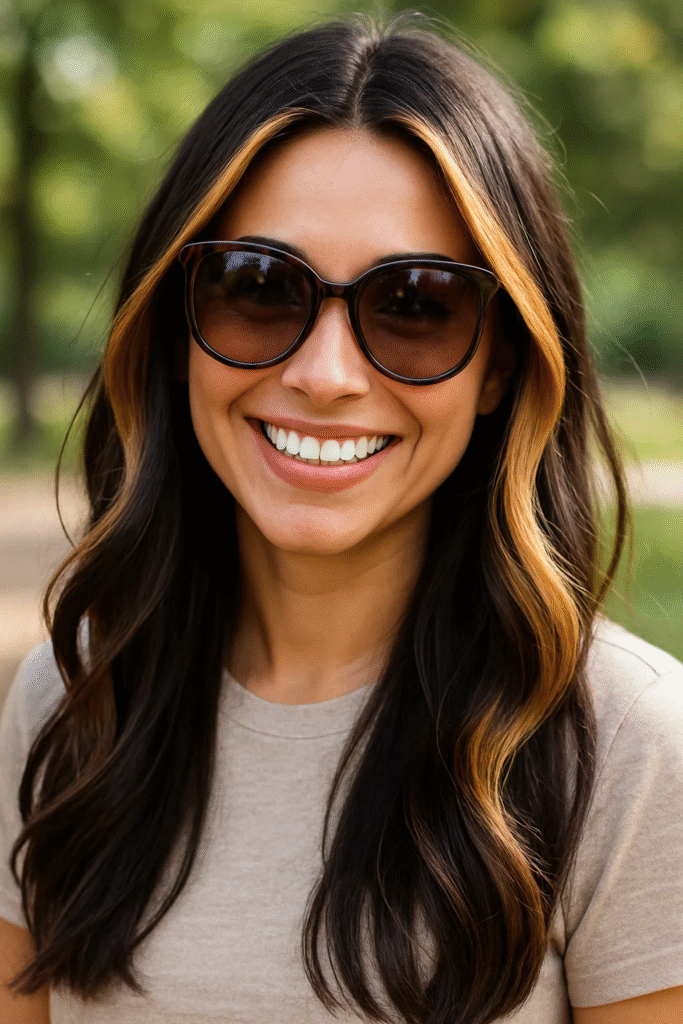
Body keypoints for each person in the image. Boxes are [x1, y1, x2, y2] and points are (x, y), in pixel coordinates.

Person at [1, 12, 682, 1024]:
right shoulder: (73, 694)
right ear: (174, 324)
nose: (323, 375)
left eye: (414, 304)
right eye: (256, 288)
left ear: (500, 363)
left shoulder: (629, 749)